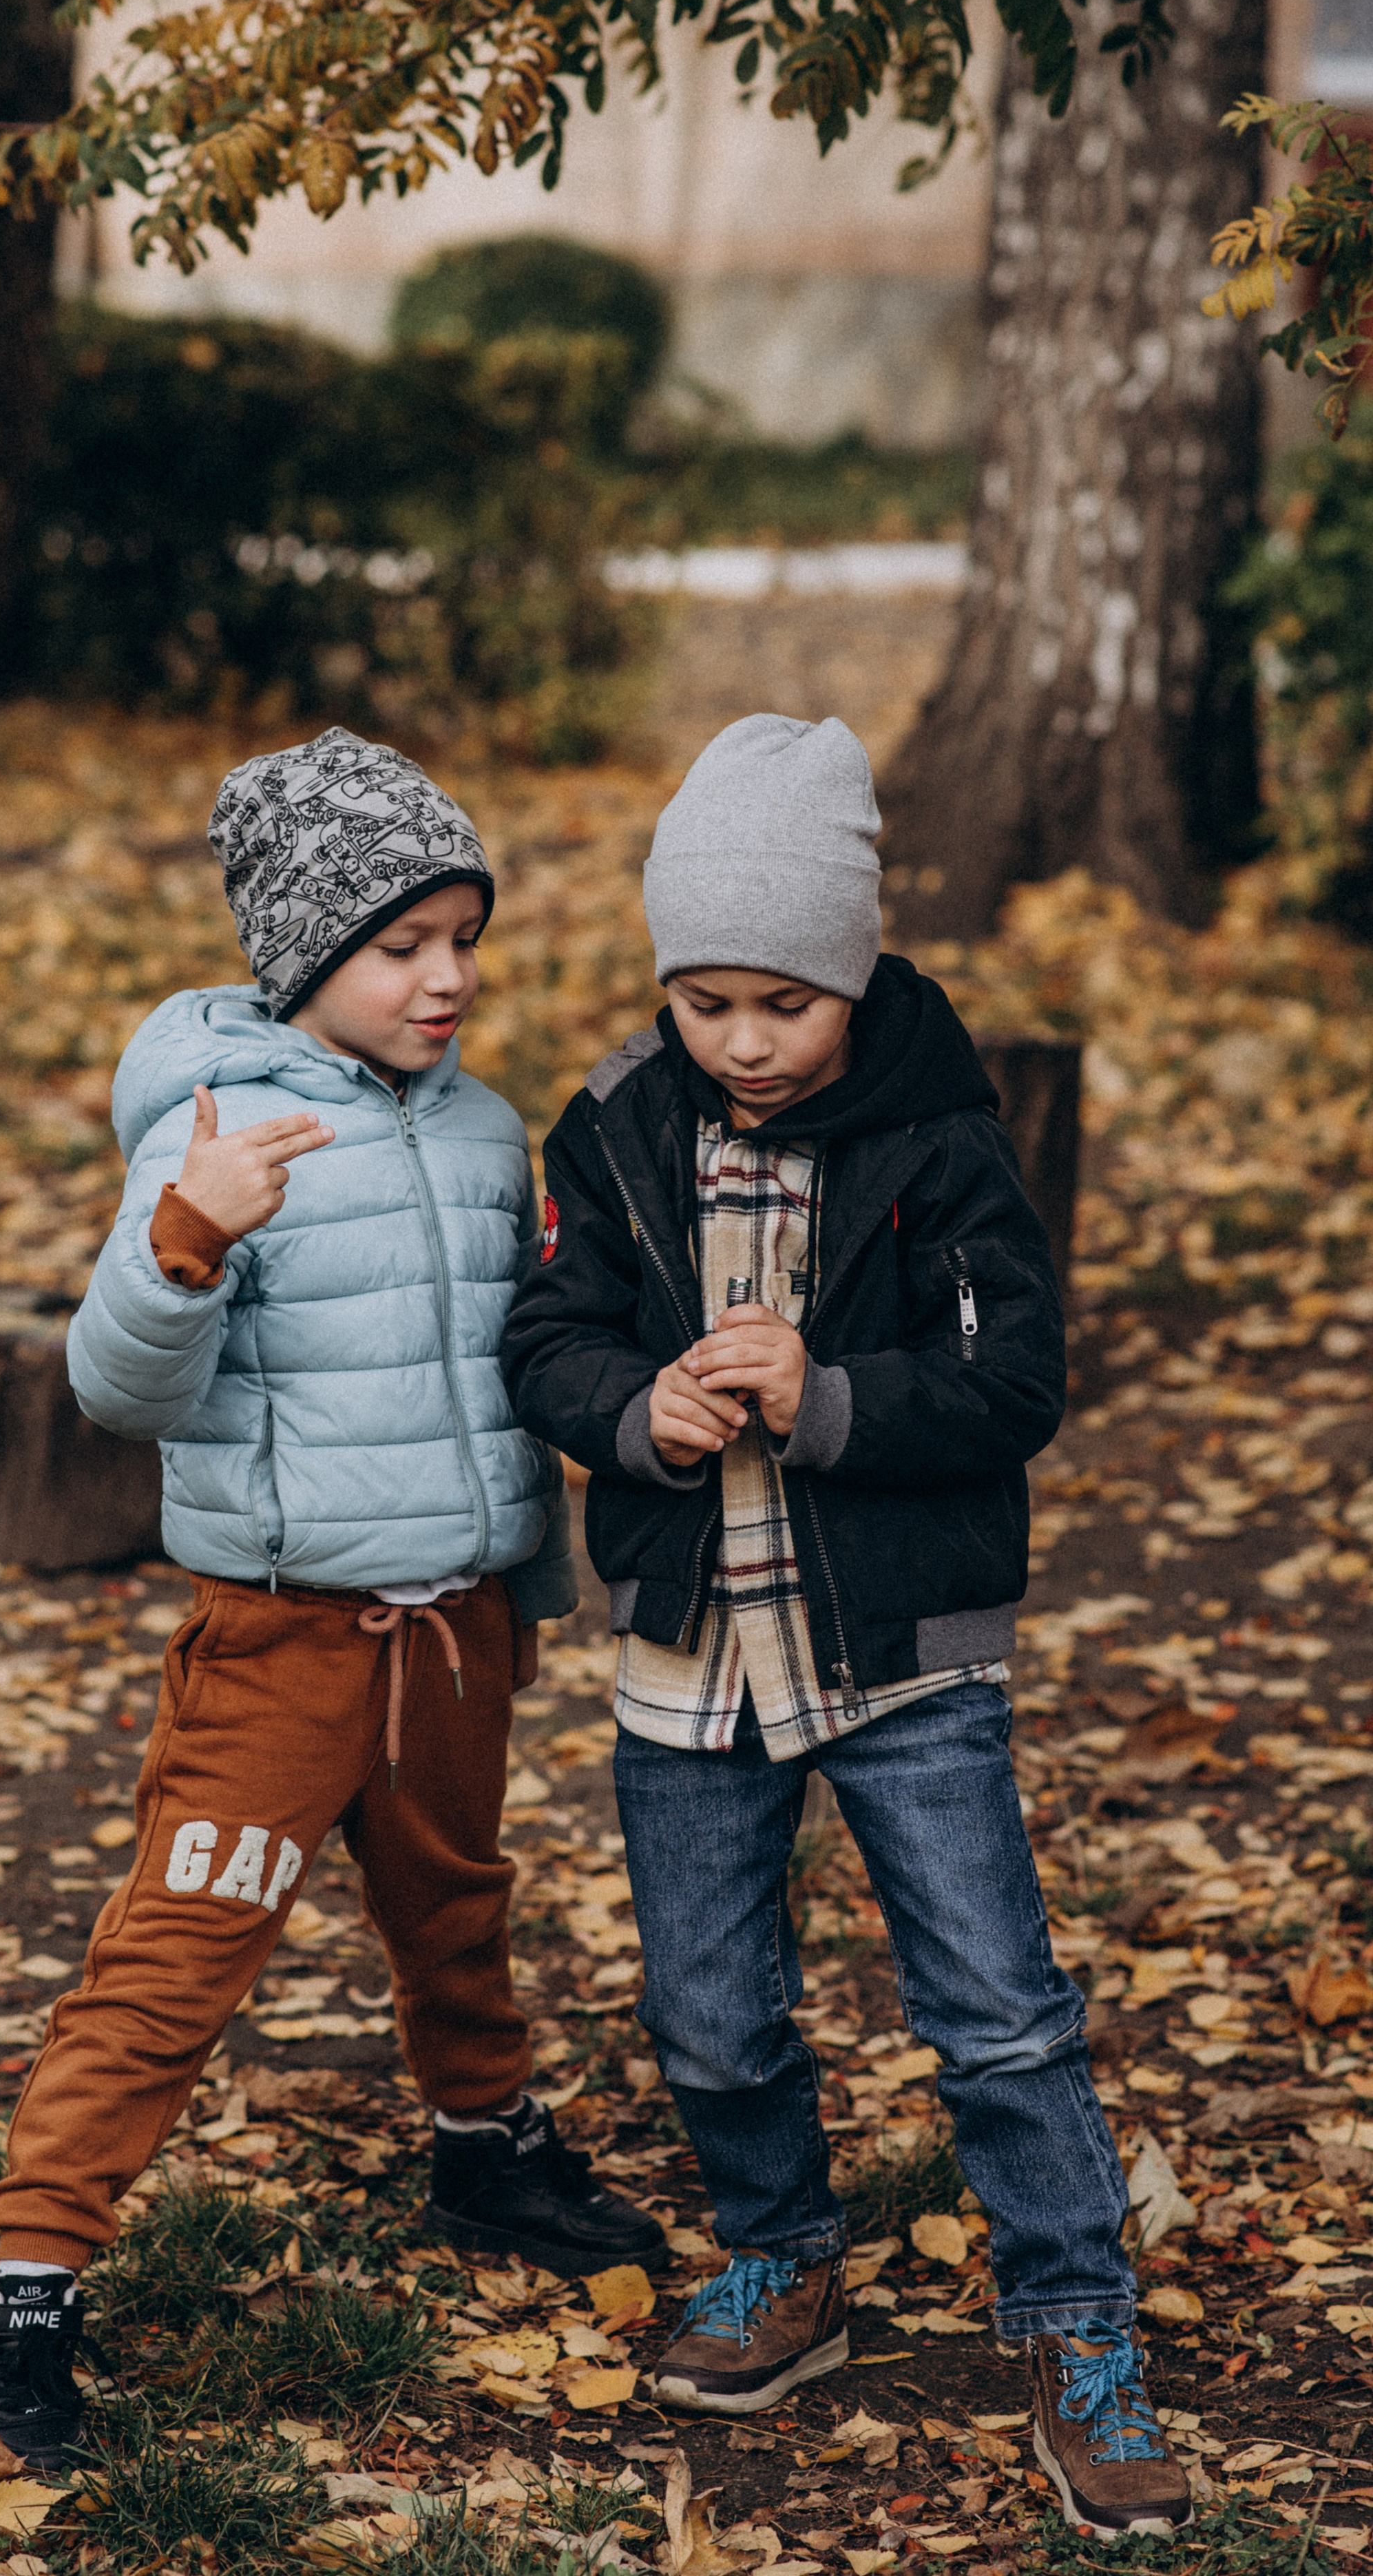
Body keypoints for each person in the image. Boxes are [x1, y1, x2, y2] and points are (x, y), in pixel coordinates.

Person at [501, 713, 1191, 2544]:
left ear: (854, 973)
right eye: (704, 1000)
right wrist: (635, 1409)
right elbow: (547, 1337)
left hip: (901, 1654)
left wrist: (824, 1398)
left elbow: (1013, 1378)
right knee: (709, 2009)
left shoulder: (938, 1134)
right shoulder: (614, 1126)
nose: (741, 1039)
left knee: (996, 2009)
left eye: (783, 1004)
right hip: (692, 1652)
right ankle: (781, 2252)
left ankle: (1076, 2320)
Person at [0, 728, 664, 2471]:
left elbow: (501, 1369)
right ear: (304, 952)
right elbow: (117, 1385)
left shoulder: (484, 1129)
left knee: (454, 1902)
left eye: (462, 936)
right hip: (281, 1638)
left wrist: (523, 1574)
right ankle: (28, 2281)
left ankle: (486, 2148)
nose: (447, 977)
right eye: (400, 944)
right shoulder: (213, 1126)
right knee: (179, 1948)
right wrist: (188, 1236)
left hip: (456, 1629)